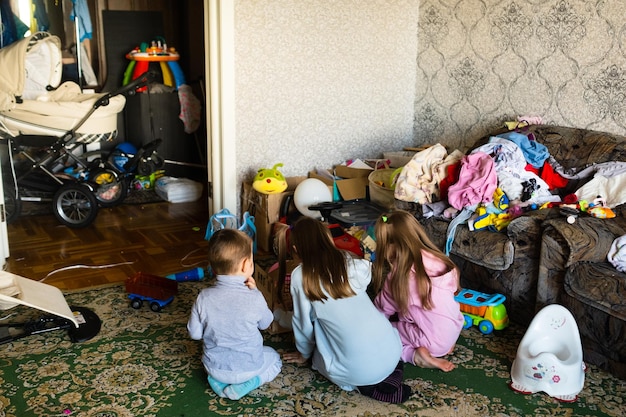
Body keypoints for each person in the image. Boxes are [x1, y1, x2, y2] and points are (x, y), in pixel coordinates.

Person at [282, 216, 411, 403]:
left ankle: (364, 384)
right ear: (327, 238)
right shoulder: (346, 259)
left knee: (319, 356)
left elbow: (303, 325)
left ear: (295, 249)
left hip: (359, 372)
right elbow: (365, 275)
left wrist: (304, 354)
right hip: (393, 351)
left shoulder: (300, 276)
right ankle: (384, 375)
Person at [187, 228, 282, 400]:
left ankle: (217, 382)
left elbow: (194, 334)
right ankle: (252, 383)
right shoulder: (254, 297)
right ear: (246, 265)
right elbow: (266, 323)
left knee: (213, 361)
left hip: (214, 368)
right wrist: (257, 292)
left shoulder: (203, 297)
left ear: (214, 268)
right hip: (249, 368)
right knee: (274, 358)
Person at [372, 210, 463, 372]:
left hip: (432, 341)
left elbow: (381, 312)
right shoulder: (436, 258)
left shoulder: (398, 277)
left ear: (389, 246)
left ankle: (416, 356)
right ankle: (443, 345)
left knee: (383, 336)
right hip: (453, 329)